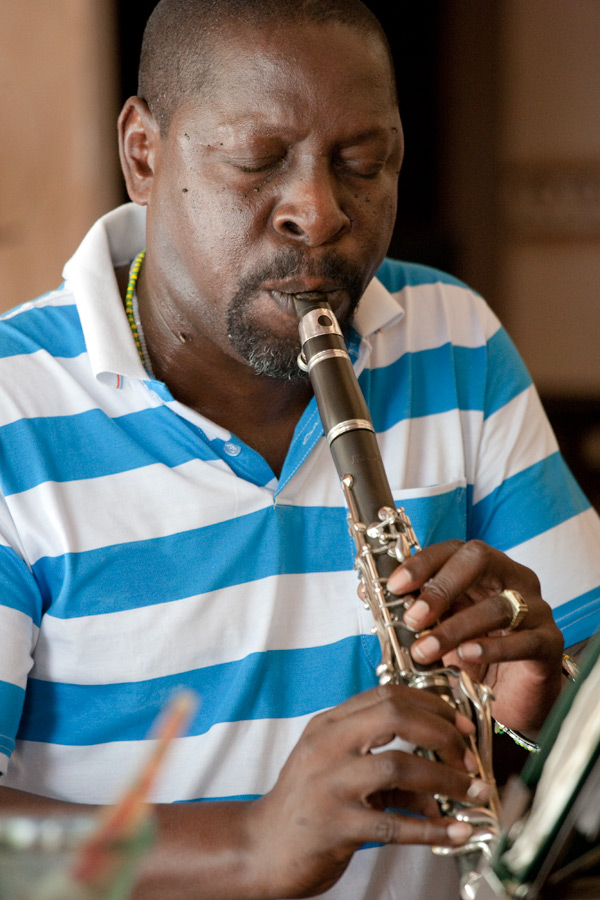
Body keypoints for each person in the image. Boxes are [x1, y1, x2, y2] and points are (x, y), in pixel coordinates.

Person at [0, 1, 599, 898]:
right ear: (143, 155)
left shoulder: (453, 339)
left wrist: (539, 697)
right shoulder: (13, 408)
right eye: (256, 162)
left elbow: (577, 712)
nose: (319, 215)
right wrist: (246, 846)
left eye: (365, 164)